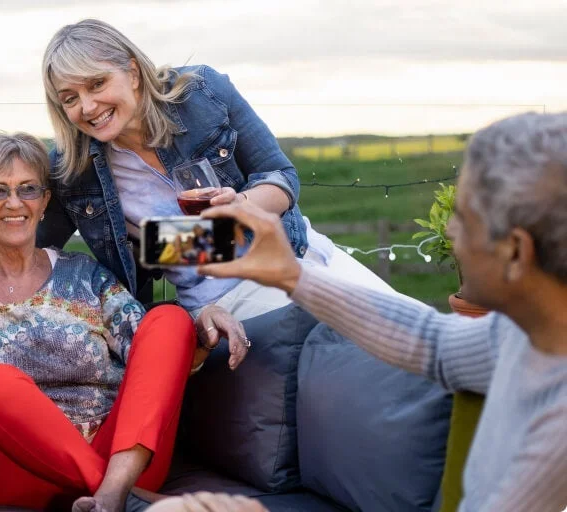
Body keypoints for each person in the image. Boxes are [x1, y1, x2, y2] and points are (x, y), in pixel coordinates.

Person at [198, 112, 567, 511]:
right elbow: (431, 343)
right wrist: (291, 275)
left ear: (515, 252)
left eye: (465, 217)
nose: (449, 231)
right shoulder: (524, 335)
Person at [0, 132, 237, 512]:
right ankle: (121, 499)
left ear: (45, 201)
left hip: (124, 454)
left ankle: (112, 493)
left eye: (28, 189)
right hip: (19, 474)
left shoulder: (86, 275)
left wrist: (199, 330)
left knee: (169, 318)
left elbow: (154, 361)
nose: (14, 203)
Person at [37, 18, 385, 344]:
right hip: (222, 298)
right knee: (357, 353)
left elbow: (281, 176)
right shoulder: (73, 168)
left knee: (410, 335)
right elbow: (27, 247)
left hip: (297, 253)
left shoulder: (202, 95)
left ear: (132, 72)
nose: (88, 106)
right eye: (70, 98)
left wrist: (240, 207)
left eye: (97, 84)